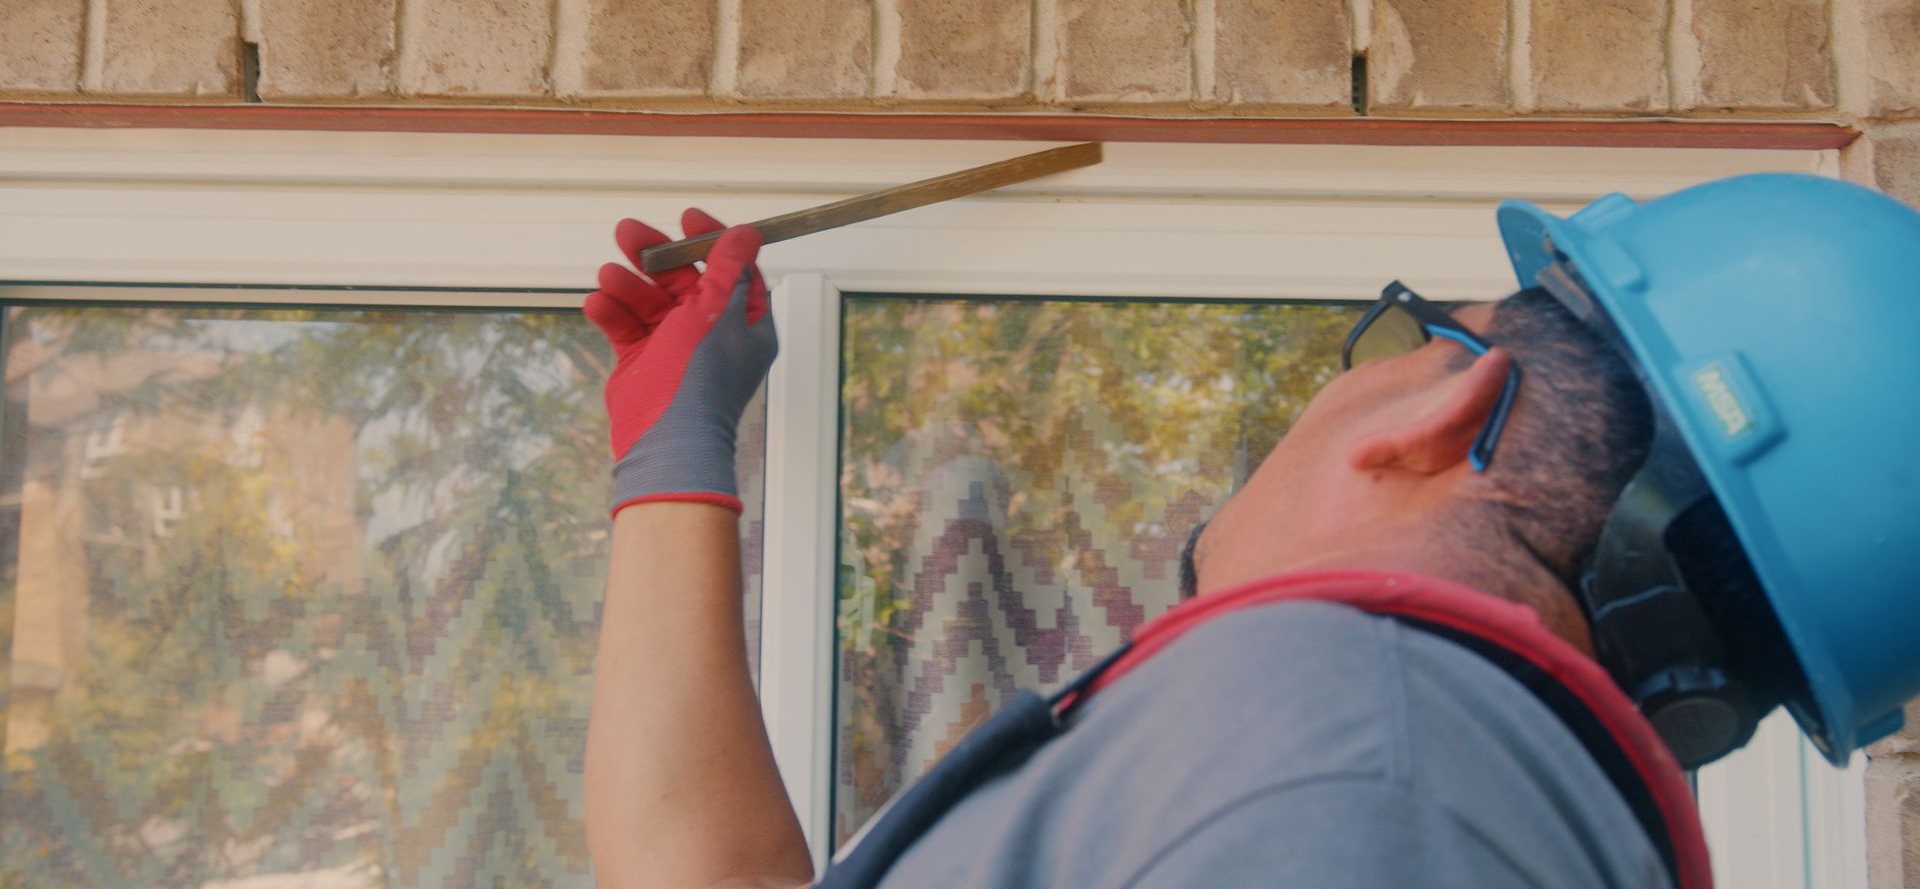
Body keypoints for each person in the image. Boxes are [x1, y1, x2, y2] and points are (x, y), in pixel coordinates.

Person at [579, 177, 1920, 888]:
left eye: (1409, 330)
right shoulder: (1403, 767)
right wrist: (673, 464)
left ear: (1446, 405)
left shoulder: (1353, 756)